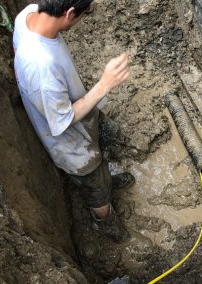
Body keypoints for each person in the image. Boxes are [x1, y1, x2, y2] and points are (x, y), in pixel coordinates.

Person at [13, 0, 133, 242]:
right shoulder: (41, 66)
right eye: (84, 14)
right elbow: (62, 121)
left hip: (79, 109)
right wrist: (105, 84)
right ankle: (105, 221)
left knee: (104, 155)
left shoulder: (28, 14)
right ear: (69, 13)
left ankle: (106, 180)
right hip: (70, 143)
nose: (84, 19)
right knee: (96, 189)